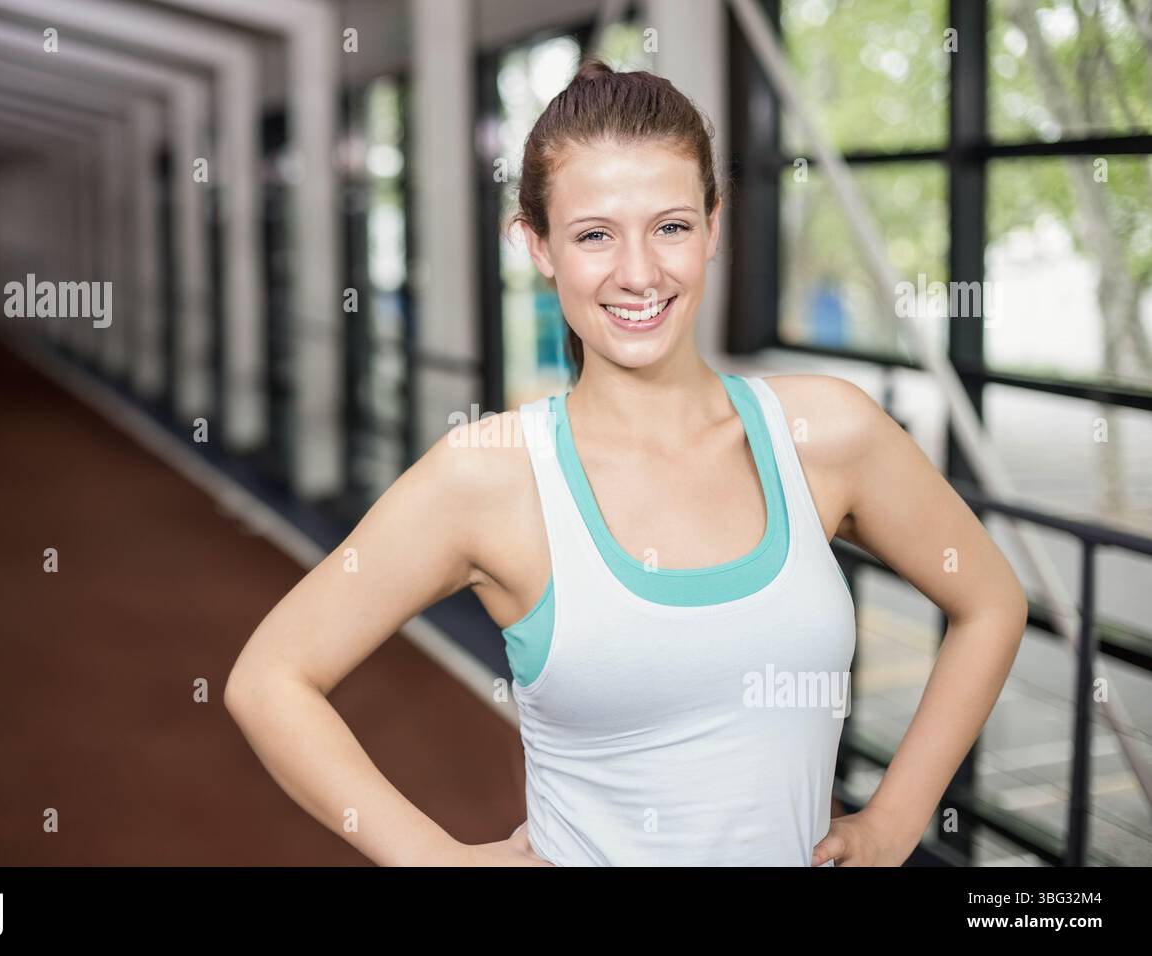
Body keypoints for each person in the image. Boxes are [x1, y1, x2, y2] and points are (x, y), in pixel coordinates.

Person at [225, 57, 1028, 867]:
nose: (639, 273)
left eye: (671, 226)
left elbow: (991, 600)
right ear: (535, 245)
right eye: (595, 235)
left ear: (714, 225)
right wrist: (434, 858)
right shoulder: (489, 476)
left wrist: (895, 820)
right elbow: (270, 680)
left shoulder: (827, 433)